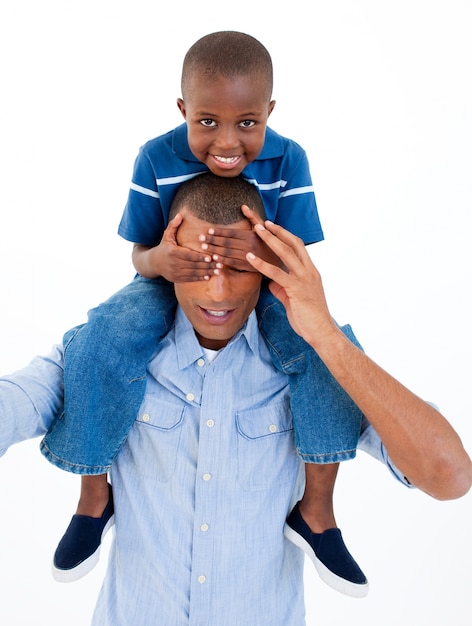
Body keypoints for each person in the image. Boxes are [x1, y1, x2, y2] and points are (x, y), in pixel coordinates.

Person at [1, 173, 470, 626]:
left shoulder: (317, 371)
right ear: (169, 261)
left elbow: (449, 476)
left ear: (268, 267)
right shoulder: (101, 357)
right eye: (198, 267)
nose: (218, 292)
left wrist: (326, 335)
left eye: (240, 268)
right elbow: (13, 404)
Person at [42, 31, 361, 596]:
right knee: (95, 340)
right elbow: (139, 252)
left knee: (331, 351)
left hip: (265, 281)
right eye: (207, 122)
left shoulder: (291, 159)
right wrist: (160, 260)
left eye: (247, 122)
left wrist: (261, 258)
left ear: (270, 112)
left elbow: (300, 257)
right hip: (171, 280)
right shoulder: (154, 156)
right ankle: (94, 496)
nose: (228, 141)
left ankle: (316, 510)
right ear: (183, 109)